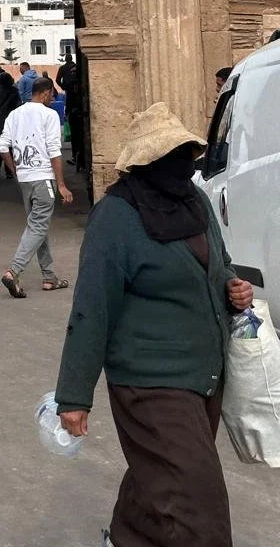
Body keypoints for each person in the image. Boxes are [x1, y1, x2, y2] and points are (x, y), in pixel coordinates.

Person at [55, 102, 253, 547]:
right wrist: (74, 395)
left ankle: (127, 537)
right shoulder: (116, 216)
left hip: (205, 375)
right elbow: (92, 308)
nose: (179, 165)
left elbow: (217, 267)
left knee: (161, 478)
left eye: (184, 153)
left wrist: (233, 288)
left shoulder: (194, 199)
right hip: (149, 382)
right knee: (200, 511)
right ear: (145, 163)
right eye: (169, 156)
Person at [0, 76, 73, 297]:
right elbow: (54, 151)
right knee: (38, 226)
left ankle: (49, 276)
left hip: (25, 179)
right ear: (47, 92)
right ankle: (14, 271)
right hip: (42, 178)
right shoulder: (49, 115)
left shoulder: (15, 114)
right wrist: (61, 184)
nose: (52, 98)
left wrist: (16, 170)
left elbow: (3, 147)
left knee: (38, 226)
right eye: (52, 94)